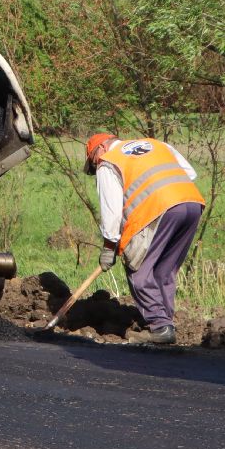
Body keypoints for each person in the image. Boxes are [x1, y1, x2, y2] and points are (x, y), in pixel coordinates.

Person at [84, 133, 207, 345]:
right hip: (191, 203)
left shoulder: (108, 163)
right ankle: (164, 324)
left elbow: (111, 211)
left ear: (100, 149)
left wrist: (108, 247)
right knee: (164, 270)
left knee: (138, 269)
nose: (96, 169)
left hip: (158, 210)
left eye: (93, 164)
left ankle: (159, 326)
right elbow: (189, 173)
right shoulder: (156, 144)